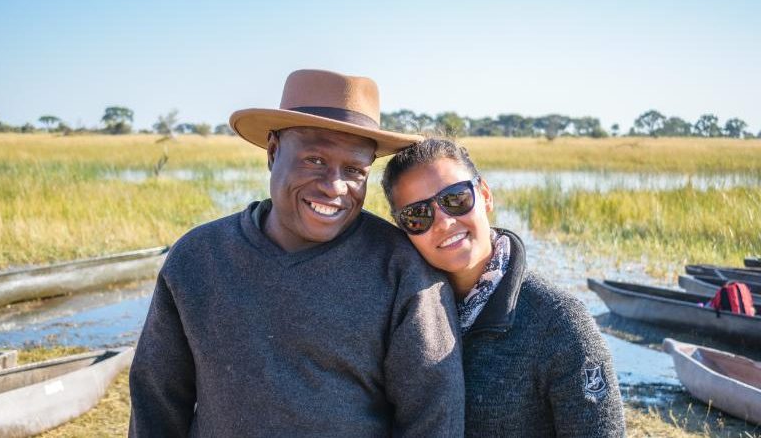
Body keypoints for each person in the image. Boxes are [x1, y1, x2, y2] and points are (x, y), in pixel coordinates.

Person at [128, 70, 465, 437]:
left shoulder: (402, 271)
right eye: (314, 160)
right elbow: (156, 401)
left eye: (354, 170)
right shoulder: (198, 258)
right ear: (273, 152)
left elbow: (434, 418)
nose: (335, 187)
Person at [382, 138, 626, 437]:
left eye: (455, 199)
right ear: (403, 231)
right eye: (418, 215)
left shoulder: (560, 322)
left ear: (484, 195)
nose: (444, 222)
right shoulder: (401, 316)